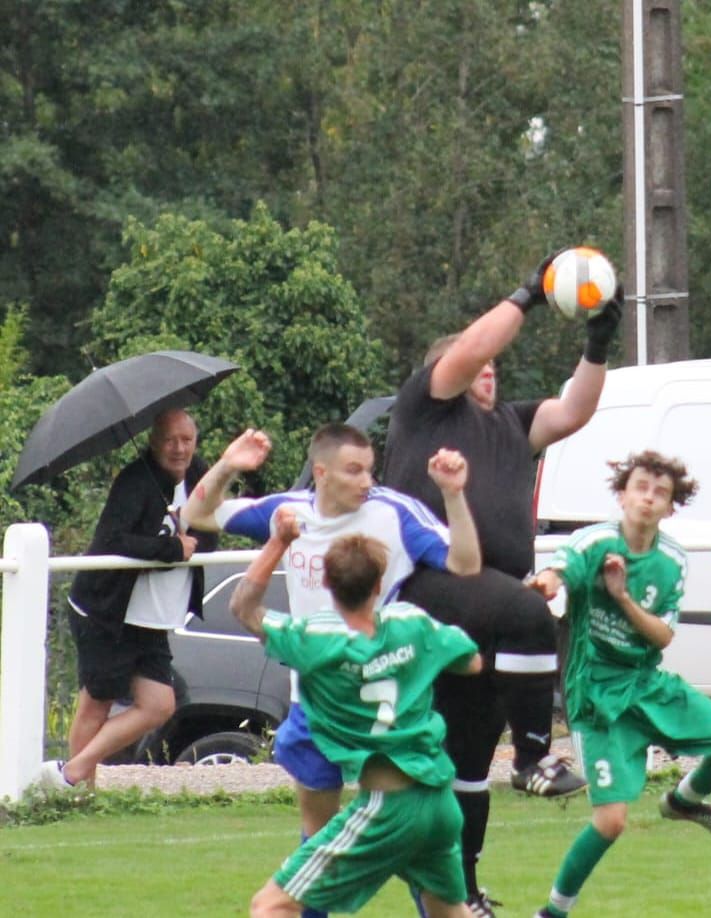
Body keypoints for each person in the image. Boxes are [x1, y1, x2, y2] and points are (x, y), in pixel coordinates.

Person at [381, 251, 622, 915]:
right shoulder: (427, 408)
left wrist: (599, 339)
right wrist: (530, 292)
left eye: (491, 360)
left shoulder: (512, 423)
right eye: (473, 358)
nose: (486, 365)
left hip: (494, 602)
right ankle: (535, 757)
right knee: (527, 616)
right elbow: (472, 348)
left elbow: (574, 409)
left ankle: (460, 894)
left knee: (466, 762)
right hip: (435, 585)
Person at [182, 422, 481, 918]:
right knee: (320, 840)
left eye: (370, 469)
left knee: (400, 837)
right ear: (320, 473)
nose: (367, 480)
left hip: (372, 695)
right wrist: (231, 464)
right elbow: (197, 513)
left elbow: (465, 564)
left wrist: (453, 496)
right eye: (353, 470)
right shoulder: (290, 512)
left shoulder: (393, 512)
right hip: (316, 703)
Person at [529, 450, 711, 918]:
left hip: (646, 682)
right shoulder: (594, 541)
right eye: (641, 488)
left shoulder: (672, 560)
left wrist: (623, 599)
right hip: (596, 693)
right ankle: (552, 913)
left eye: (661, 493)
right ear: (622, 495)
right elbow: (562, 568)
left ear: (670, 507)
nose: (649, 498)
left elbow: (663, 634)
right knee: (611, 822)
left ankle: (682, 801)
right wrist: (548, 582)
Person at [230, 506, 482, 918]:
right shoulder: (411, 623)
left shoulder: (316, 638)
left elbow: (243, 608)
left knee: (271, 905)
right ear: (381, 583)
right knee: (448, 911)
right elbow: (471, 663)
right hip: (438, 802)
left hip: (390, 805)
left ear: (326, 582)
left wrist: (279, 541)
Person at [39, 408, 218, 791]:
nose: (179, 449)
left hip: (153, 619)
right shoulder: (134, 482)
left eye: (186, 440)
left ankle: (71, 774)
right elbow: (112, 542)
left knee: (159, 705)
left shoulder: (201, 475)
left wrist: (188, 533)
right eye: (170, 440)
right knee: (97, 703)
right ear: (153, 442)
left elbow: (211, 529)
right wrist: (169, 546)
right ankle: (79, 793)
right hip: (107, 613)